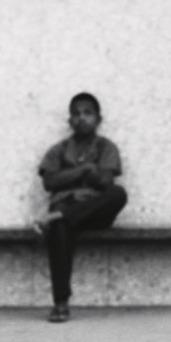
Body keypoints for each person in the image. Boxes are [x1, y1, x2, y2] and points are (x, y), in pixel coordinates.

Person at [35, 92, 127, 322]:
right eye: (76, 114)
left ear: (98, 119)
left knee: (118, 194)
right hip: (65, 207)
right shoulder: (58, 149)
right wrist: (85, 170)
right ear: (69, 121)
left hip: (93, 210)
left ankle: (58, 216)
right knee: (61, 227)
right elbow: (49, 182)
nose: (81, 118)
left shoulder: (107, 147)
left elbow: (106, 182)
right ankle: (61, 304)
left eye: (88, 113)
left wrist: (68, 176)